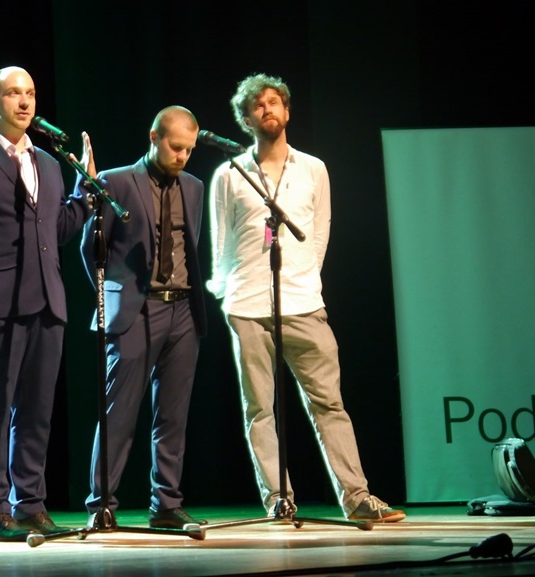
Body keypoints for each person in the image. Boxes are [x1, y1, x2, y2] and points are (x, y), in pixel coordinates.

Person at [206, 73, 405, 523]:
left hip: (303, 303)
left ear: (287, 111)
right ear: (246, 119)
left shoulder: (313, 168)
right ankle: (278, 500)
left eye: (274, 102)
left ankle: (358, 498)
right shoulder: (229, 173)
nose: (267, 110)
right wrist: (225, 293)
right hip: (247, 305)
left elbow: (319, 233)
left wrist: (307, 280)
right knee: (260, 410)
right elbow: (220, 242)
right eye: (258, 105)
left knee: (329, 404)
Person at [0, 65, 95, 542]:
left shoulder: (48, 162)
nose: (24, 102)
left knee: (37, 410)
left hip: (47, 300)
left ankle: (31, 504)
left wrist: (85, 191)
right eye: (12, 93)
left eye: (30, 93)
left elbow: (58, 229)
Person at [78, 106, 208, 530]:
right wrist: (111, 295)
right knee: (119, 412)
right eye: (176, 147)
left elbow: (191, 246)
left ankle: (166, 504)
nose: (182, 156)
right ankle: (102, 503)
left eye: (189, 150)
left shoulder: (194, 187)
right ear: (154, 137)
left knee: (173, 414)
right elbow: (91, 249)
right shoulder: (116, 181)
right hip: (136, 310)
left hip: (183, 310)